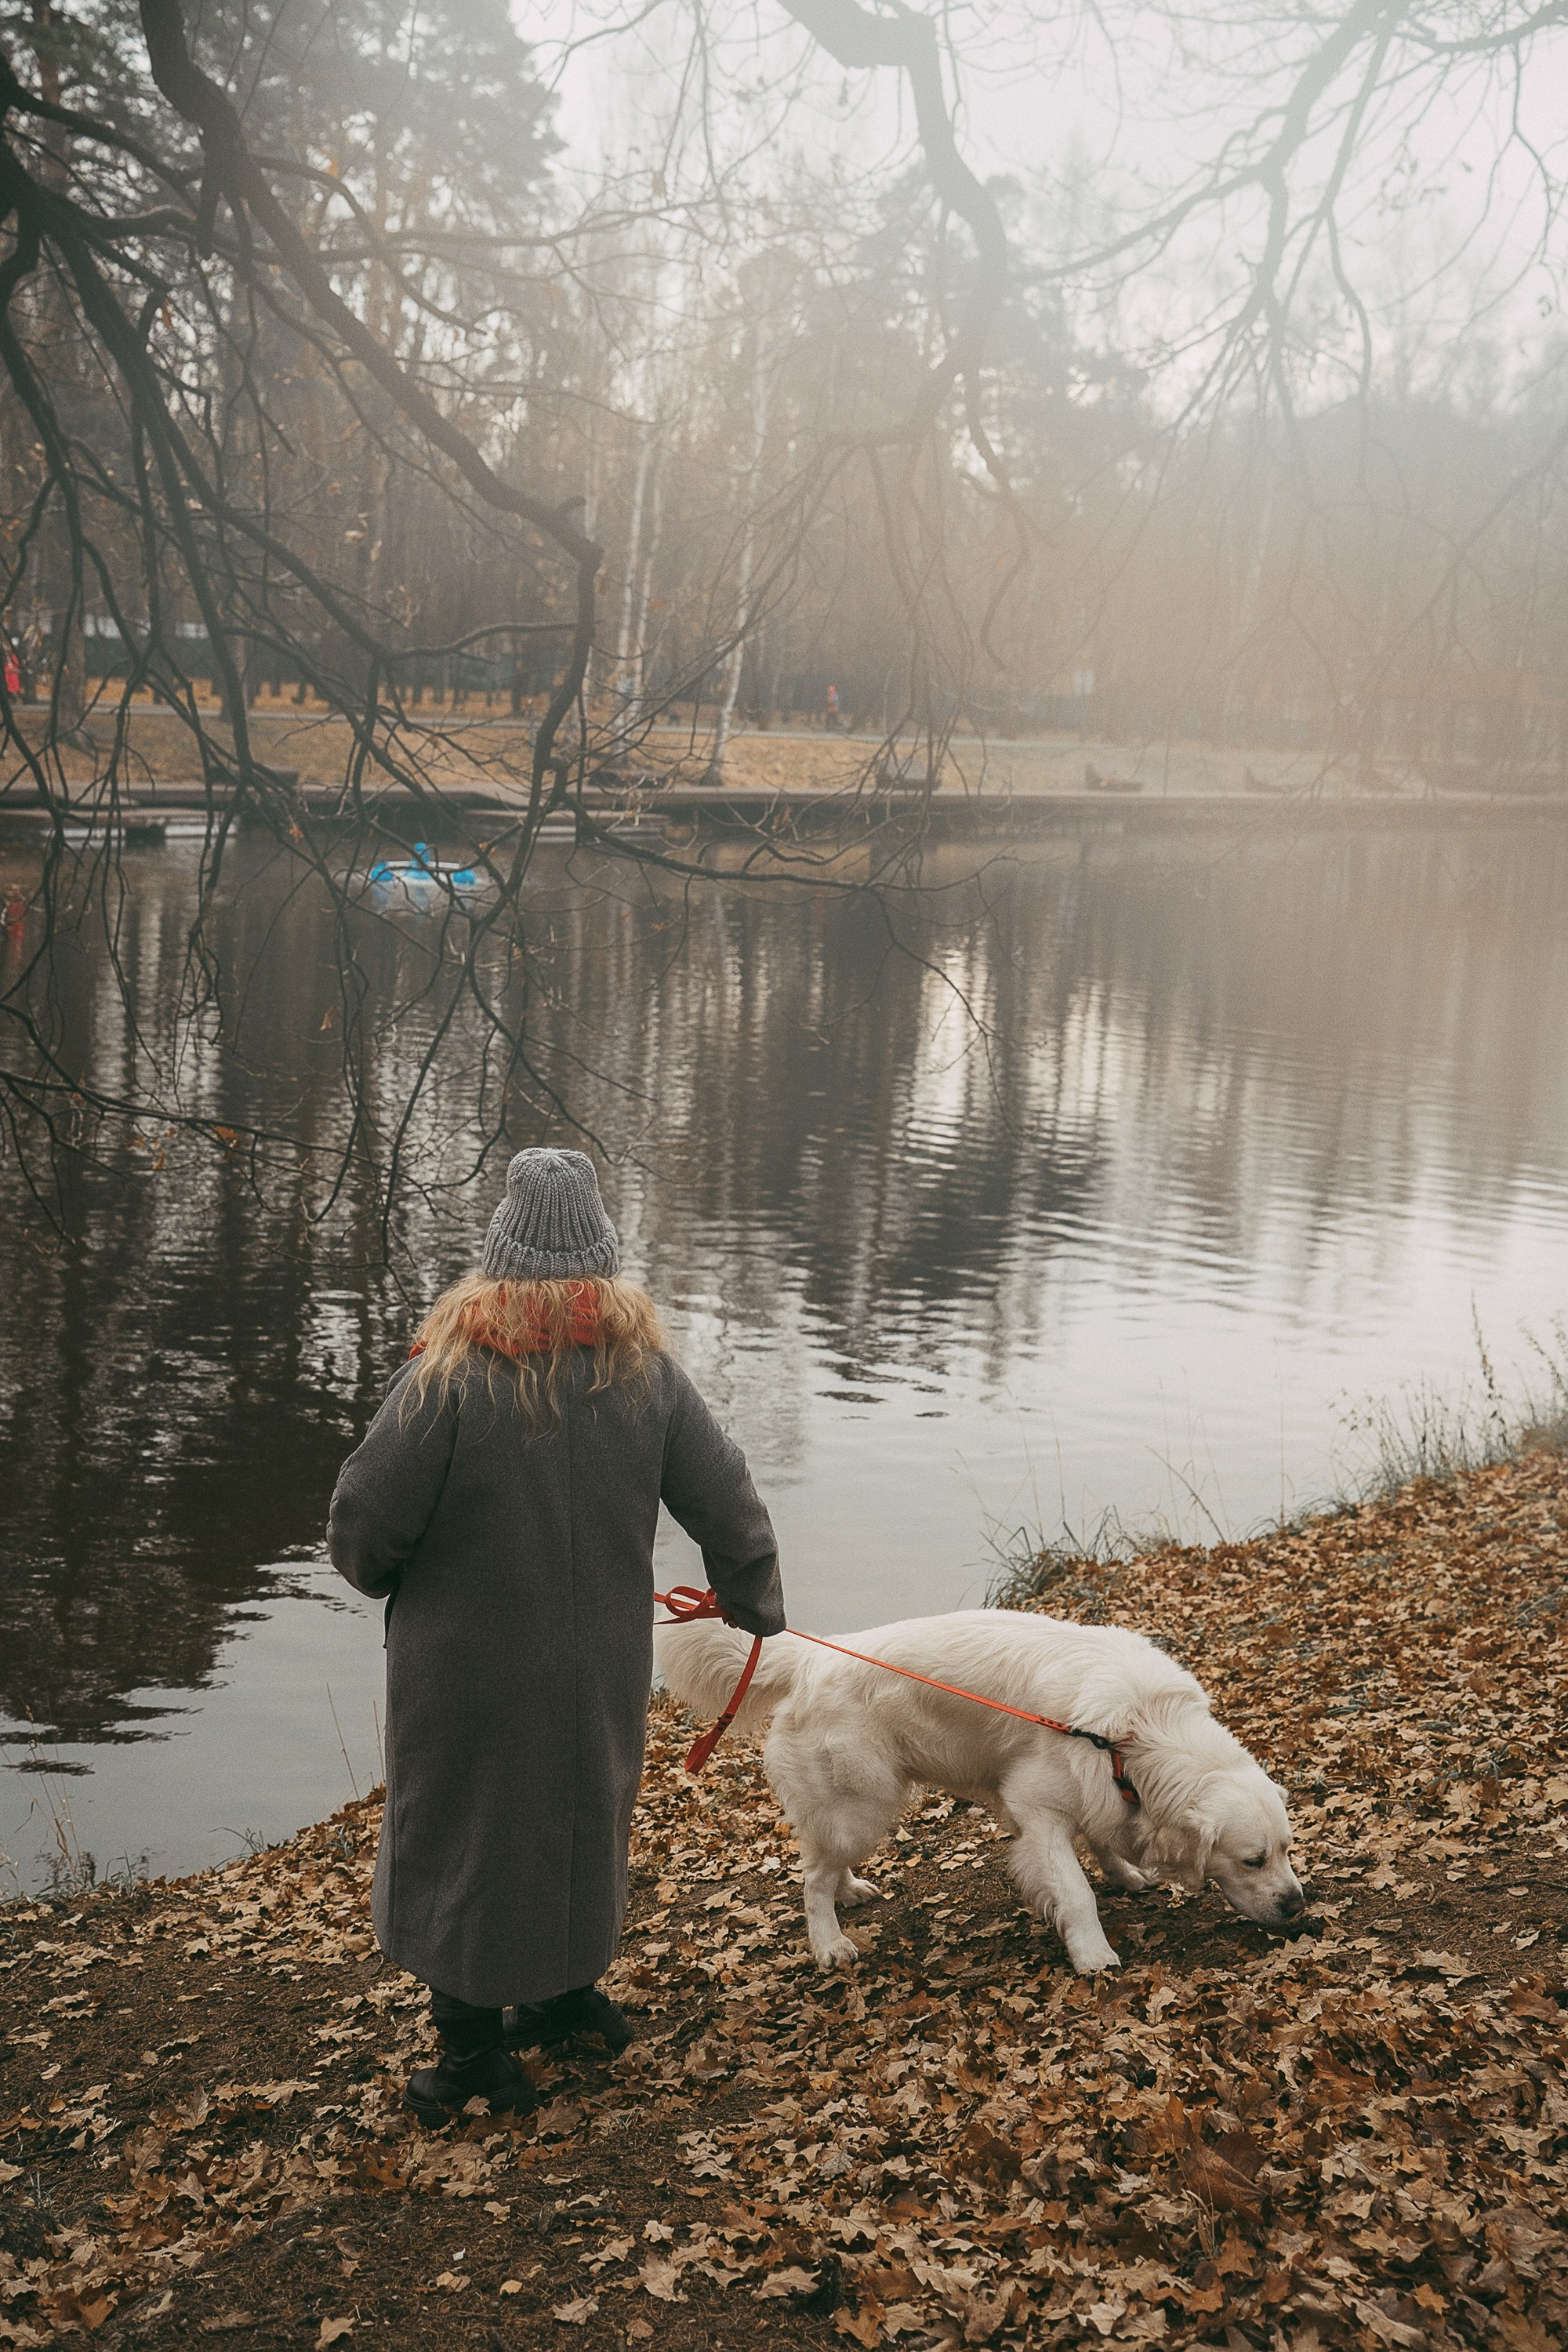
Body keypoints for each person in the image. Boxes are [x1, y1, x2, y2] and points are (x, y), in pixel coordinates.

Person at [328, 1149, 785, 2125]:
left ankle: (472, 2058)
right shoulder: (647, 1375)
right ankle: (568, 1996)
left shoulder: (445, 1380)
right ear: (600, 1266)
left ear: (497, 1259)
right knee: (579, 1812)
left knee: (467, 1832)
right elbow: (730, 1498)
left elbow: (364, 1518)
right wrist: (751, 1603)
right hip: (597, 1666)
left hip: (468, 1669)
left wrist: (383, 1582)